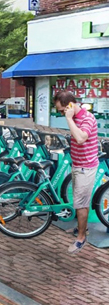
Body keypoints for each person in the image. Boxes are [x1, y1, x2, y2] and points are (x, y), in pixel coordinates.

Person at [54, 90, 98, 254]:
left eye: (61, 110)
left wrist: (68, 118)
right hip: (78, 165)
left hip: (85, 167)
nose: (60, 113)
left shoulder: (86, 118)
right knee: (79, 201)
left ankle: (81, 238)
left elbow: (80, 138)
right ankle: (81, 228)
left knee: (81, 205)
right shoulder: (75, 117)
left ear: (70, 106)